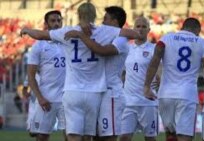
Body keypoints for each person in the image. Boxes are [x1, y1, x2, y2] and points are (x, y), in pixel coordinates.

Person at [21, 3, 141, 141]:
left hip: (72, 91)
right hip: (95, 93)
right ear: (95, 15)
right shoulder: (104, 31)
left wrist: (27, 30)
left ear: (78, 15)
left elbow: (41, 35)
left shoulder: (67, 31)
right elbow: (134, 34)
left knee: (72, 136)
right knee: (89, 136)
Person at [64, 6, 141, 141]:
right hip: (98, 91)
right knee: (93, 136)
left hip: (111, 93)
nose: (102, 22)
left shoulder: (121, 41)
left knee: (108, 137)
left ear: (115, 23)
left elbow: (101, 51)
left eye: (106, 19)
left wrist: (81, 35)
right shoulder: (103, 35)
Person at [144, 17, 204, 141]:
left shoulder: (166, 39)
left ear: (183, 27)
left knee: (170, 135)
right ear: (198, 30)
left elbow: (154, 61)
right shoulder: (202, 42)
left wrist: (146, 86)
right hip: (187, 95)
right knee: (184, 137)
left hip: (165, 95)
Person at [27, 10, 66, 141]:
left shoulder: (69, 43)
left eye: (59, 20)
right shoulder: (38, 46)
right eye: (53, 21)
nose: (56, 23)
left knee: (71, 135)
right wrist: (40, 97)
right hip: (47, 98)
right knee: (42, 136)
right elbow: (31, 76)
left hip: (67, 98)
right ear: (46, 24)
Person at [119, 16, 159, 141]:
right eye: (138, 26)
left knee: (150, 138)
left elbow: (161, 71)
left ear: (149, 30)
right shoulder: (126, 48)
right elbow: (124, 72)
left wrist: (160, 79)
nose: (140, 29)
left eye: (143, 26)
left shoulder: (154, 49)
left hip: (147, 102)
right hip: (129, 101)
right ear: (133, 29)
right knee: (124, 138)